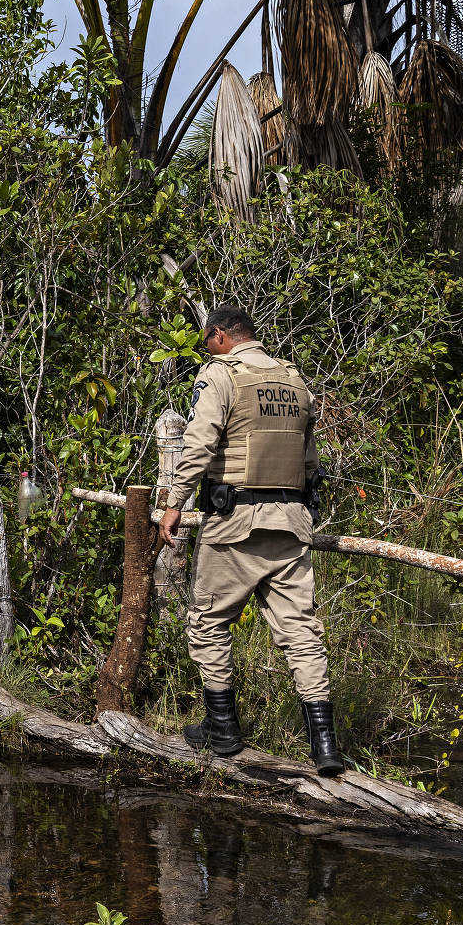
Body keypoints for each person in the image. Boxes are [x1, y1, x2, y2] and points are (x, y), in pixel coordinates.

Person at [160, 305, 351, 776]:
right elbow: (309, 458)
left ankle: (223, 729)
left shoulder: (221, 375)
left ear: (221, 336)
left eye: (206, 341)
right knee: (301, 632)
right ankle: (324, 747)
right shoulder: (293, 378)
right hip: (290, 521)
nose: (206, 348)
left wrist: (174, 500)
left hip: (235, 521)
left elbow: (199, 442)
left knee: (207, 621)